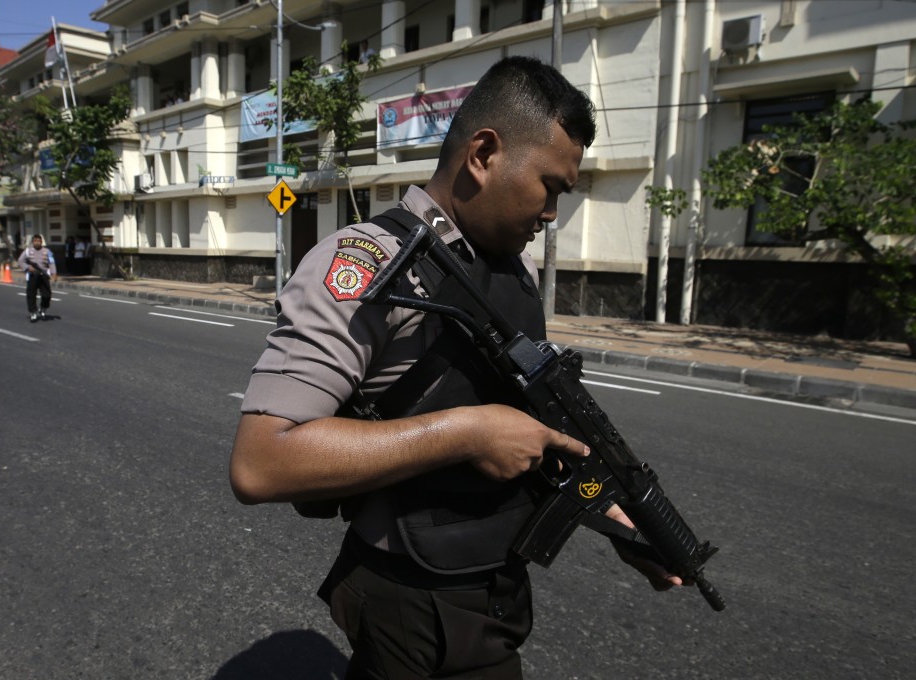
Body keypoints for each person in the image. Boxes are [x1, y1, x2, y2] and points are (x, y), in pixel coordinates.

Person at [230, 56, 686, 679]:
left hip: (493, 585)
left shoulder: (506, 273)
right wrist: (468, 432)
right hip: (409, 598)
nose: (552, 213)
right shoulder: (368, 263)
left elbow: (539, 445)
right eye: (550, 186)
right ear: (484, 153)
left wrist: (612, 519)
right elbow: (261, 462)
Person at [17, 234, 57, 322]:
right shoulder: (28, 251)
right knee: (31, 295)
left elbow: (51, 263)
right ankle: (33, 312)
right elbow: (20, 260)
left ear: (41, 242)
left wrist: (54, 273)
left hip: (44, 275)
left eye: (39, 241)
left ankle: (43, 308)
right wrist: (28, 267)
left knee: (47, 294)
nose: (37, 242)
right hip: (33, 275)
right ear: (33, 242)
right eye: (35, 241)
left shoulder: (47, 251)